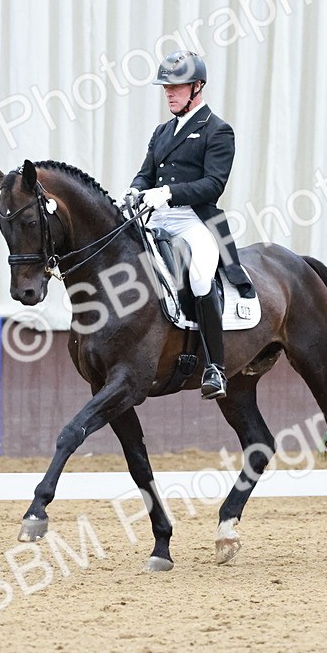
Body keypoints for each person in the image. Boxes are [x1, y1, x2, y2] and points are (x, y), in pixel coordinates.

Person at [127, 50, 250, 401]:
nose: (169, 92)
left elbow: (214, 184)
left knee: (198, 276)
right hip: (157, 216)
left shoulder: (217, 130)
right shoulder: (162, 131)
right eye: (166, 87)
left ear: (197, 87)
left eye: (177, 86)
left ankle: (215, 367)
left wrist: (167, 192)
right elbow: (145, 171)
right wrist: (136, 190)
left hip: (194, 219)